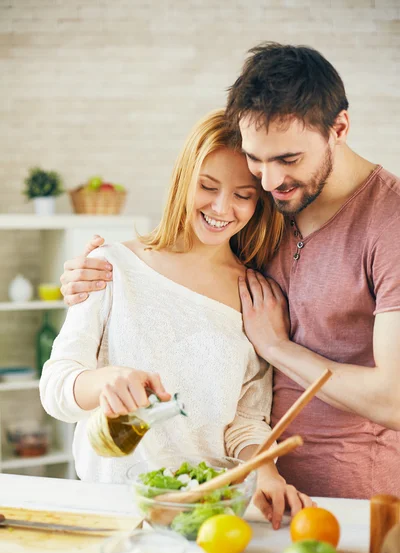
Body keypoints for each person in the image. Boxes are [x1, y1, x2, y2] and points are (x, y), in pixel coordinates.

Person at [62, 42, 400, 501]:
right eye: (257, 160)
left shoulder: (388, 222)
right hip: (246, 494)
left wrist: (276, 347)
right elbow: (183, 268)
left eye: (287, 159)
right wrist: (86, 278)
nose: (269, 180)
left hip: (352, 492)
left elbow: (393, 397)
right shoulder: (268, 213)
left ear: (338, 128)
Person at [41, 109, 313, 529]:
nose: (223, 207)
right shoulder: (111, 265)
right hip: (109, 508)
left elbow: (245, 419)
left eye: (243, 195)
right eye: (207, 186)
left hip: (204, 513)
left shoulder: (258, 297)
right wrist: (103, 383)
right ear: (183, 179)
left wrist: (265, 470)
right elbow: (55, 388)